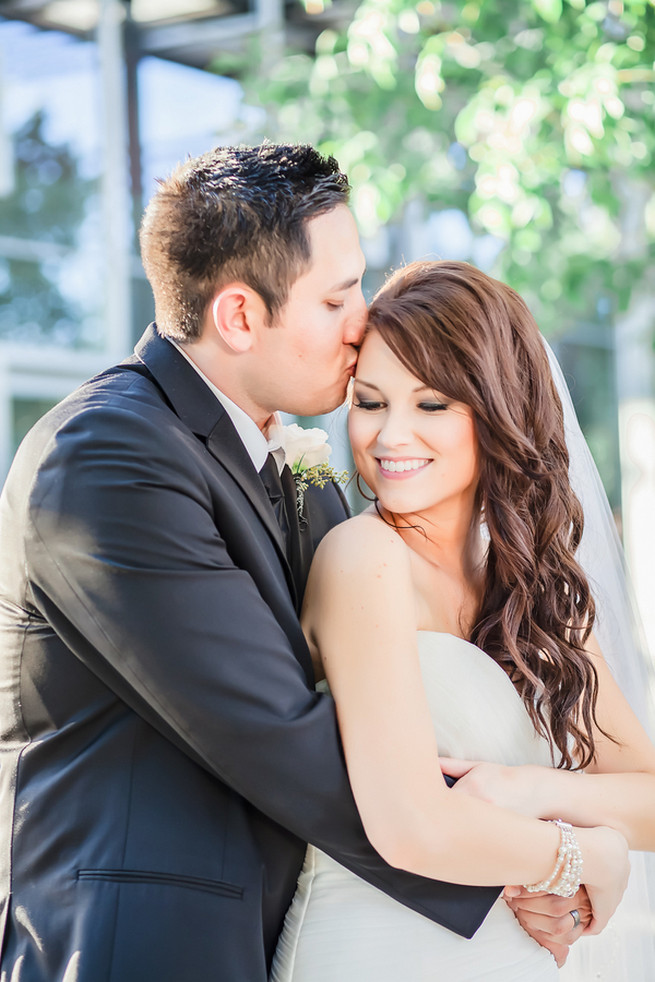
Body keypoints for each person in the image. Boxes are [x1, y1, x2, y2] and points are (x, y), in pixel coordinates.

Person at [0, 146, 511, 982]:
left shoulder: (300, 471)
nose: (364, 321)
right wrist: (516, 863)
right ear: (239, 316)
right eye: (339, 296)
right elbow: (275, 730)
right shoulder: (108, 454)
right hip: (139, 948)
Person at [271, 259, 655, 981]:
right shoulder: (364, 557)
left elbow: (646, 792)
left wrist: (532, 793)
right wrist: (583, 854)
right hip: (374, 956)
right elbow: (409, 827)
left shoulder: (534, 590)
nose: (390, 436)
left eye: (432, 405)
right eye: (370, 401)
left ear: (500, 410)